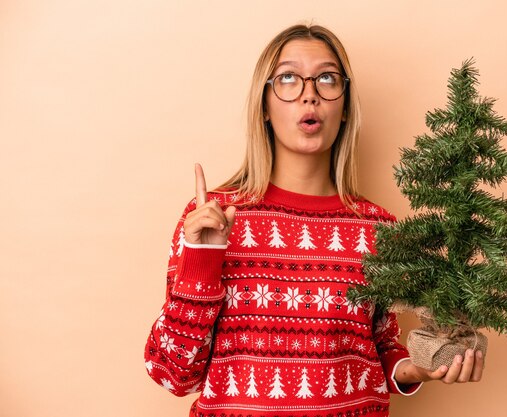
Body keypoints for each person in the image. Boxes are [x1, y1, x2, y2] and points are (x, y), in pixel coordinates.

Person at [144, 24, 484, 417]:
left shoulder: (378, 228)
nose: (310, 93)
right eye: (288, 78)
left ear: (344, 109)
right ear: (265, 107)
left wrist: (414, 370)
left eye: (326, 78)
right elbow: (173, 375)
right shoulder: (212, 217)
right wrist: (202, 263)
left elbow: (380, 347)